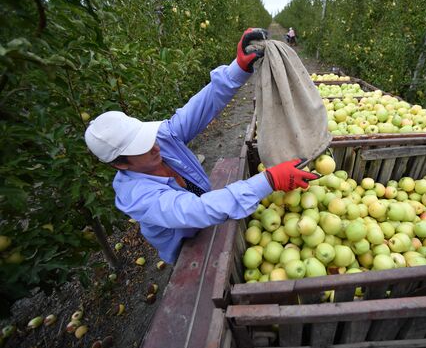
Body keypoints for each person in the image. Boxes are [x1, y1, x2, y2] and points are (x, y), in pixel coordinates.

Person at [84, 28, 318, 264]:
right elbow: (196, 211)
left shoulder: (161, 138)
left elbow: (203, 105)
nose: (154, 147)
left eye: (147, 138)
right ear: (119, 164)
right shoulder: (137, 197)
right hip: (188, 249)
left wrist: (238, 67)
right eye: (141, 149)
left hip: (213, 211)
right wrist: (268, 181)